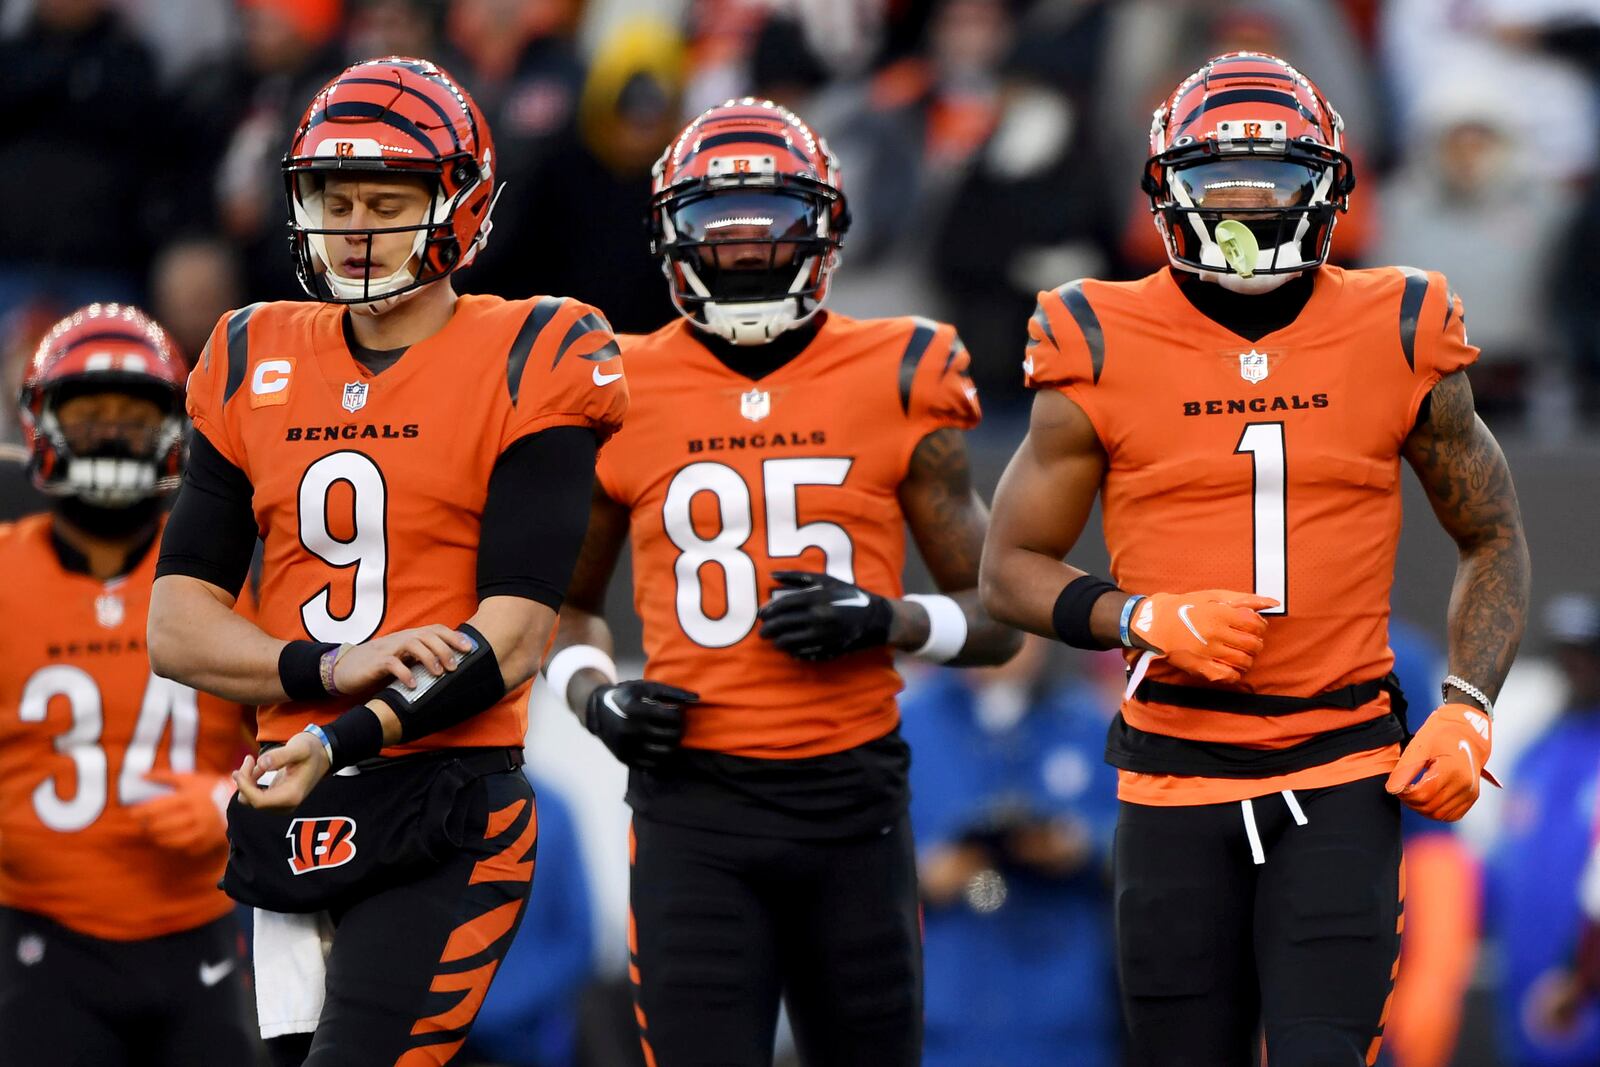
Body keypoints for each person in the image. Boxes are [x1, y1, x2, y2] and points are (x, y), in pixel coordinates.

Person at [980, 51, 1530, 1066]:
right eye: (1218, 185)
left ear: (1325, 188)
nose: (1247, 210)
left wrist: (1466, 703)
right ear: (1164, 193)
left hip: (1340, 766)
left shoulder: (1397, 321)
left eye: (1273, 183)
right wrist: (1137, 614)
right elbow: (1007, 564)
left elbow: (1490, 532)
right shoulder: (1096, 331)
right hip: (1171, 776)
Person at [146, 57, 627, 1065]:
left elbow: (516, 632)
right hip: (289, 794)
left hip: (444, 798)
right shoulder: (247, 352)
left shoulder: (532, 349)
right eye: (337, 198)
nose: (356, 224)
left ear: (457, 206)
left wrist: (348, 728)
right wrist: (320, 672)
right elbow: (176, 623)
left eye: (387, 201)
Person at [543, 98, 1021, 1067]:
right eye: (720, 227)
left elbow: (999, 613)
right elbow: (563, 607)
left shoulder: (899, 366)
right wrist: (595, 699)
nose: (748, 250)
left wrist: (887, 617)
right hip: (690, 805)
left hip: (852, 800)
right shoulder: (615, 383)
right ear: (673, 239)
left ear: (823, 229)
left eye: (773, 223)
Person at [0, 304, 256, 1064]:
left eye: (131, 416)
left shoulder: (234, 574)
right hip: (36, 936)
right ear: (43, 426)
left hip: (203, 932)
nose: (111, 433)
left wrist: (229, 801)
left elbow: (309, 742)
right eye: (88, 415)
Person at [900, 635, 1122, 1067]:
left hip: (1064, 1006)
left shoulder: (1085, 721)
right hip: (946, 1002)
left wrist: (1078, 845)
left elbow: (1140, 840)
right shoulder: (912, 723)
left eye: (1023, 626)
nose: (1010, 641)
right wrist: (920, 873)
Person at [1485, 593, 1600, 1067]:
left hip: (1585, 975)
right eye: (1566, 655)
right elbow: (1503, 862)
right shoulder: (1536, 752)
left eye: (1589, 655)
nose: (1576, 667)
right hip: (1523, 976)